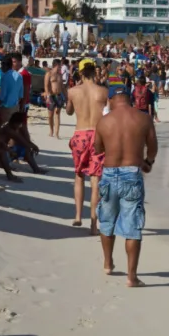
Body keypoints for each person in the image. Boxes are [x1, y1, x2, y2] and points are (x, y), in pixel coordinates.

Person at [94, 84, 158, 287]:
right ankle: (132, 276)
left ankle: (107, 263)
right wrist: (148, 162)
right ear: (129, 98)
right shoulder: (143, 118)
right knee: (132, 227)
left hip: (109, 172)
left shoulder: (104, 121)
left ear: (112, 99)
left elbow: (98, 148)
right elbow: (153, 146)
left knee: (107, 221)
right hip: (132, 173)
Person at [66, 59, 109, 232]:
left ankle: (77, 216)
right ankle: (93, 224)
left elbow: (69, 111)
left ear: (81, 73)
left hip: (80, 134)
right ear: (95, 72)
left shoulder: (73, 91)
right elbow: (108, 115)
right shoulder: (103, 92)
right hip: (98, 135)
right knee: (95, 179)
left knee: (78, 175)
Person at [0, 56, 23, 128]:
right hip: (16, 106)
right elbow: (20, 94)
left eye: (2, 65)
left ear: (4, 65)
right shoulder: (19, 76)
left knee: (4, 129)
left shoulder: (4, 77)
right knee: (13, 128)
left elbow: (3, 95)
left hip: (6, 107)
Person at [45, 59, 66, 138]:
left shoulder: (59, 75)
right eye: (60, 65)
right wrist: (47, 96)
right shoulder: (49, 74)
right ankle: (51, 130)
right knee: (50, 115)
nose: (61, 67)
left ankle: (57, 133)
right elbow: (46, 86)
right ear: (56, 65)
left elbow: (62, 87)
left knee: (57, 114)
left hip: (59, 95)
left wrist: (66, 96)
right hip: (51, 95)